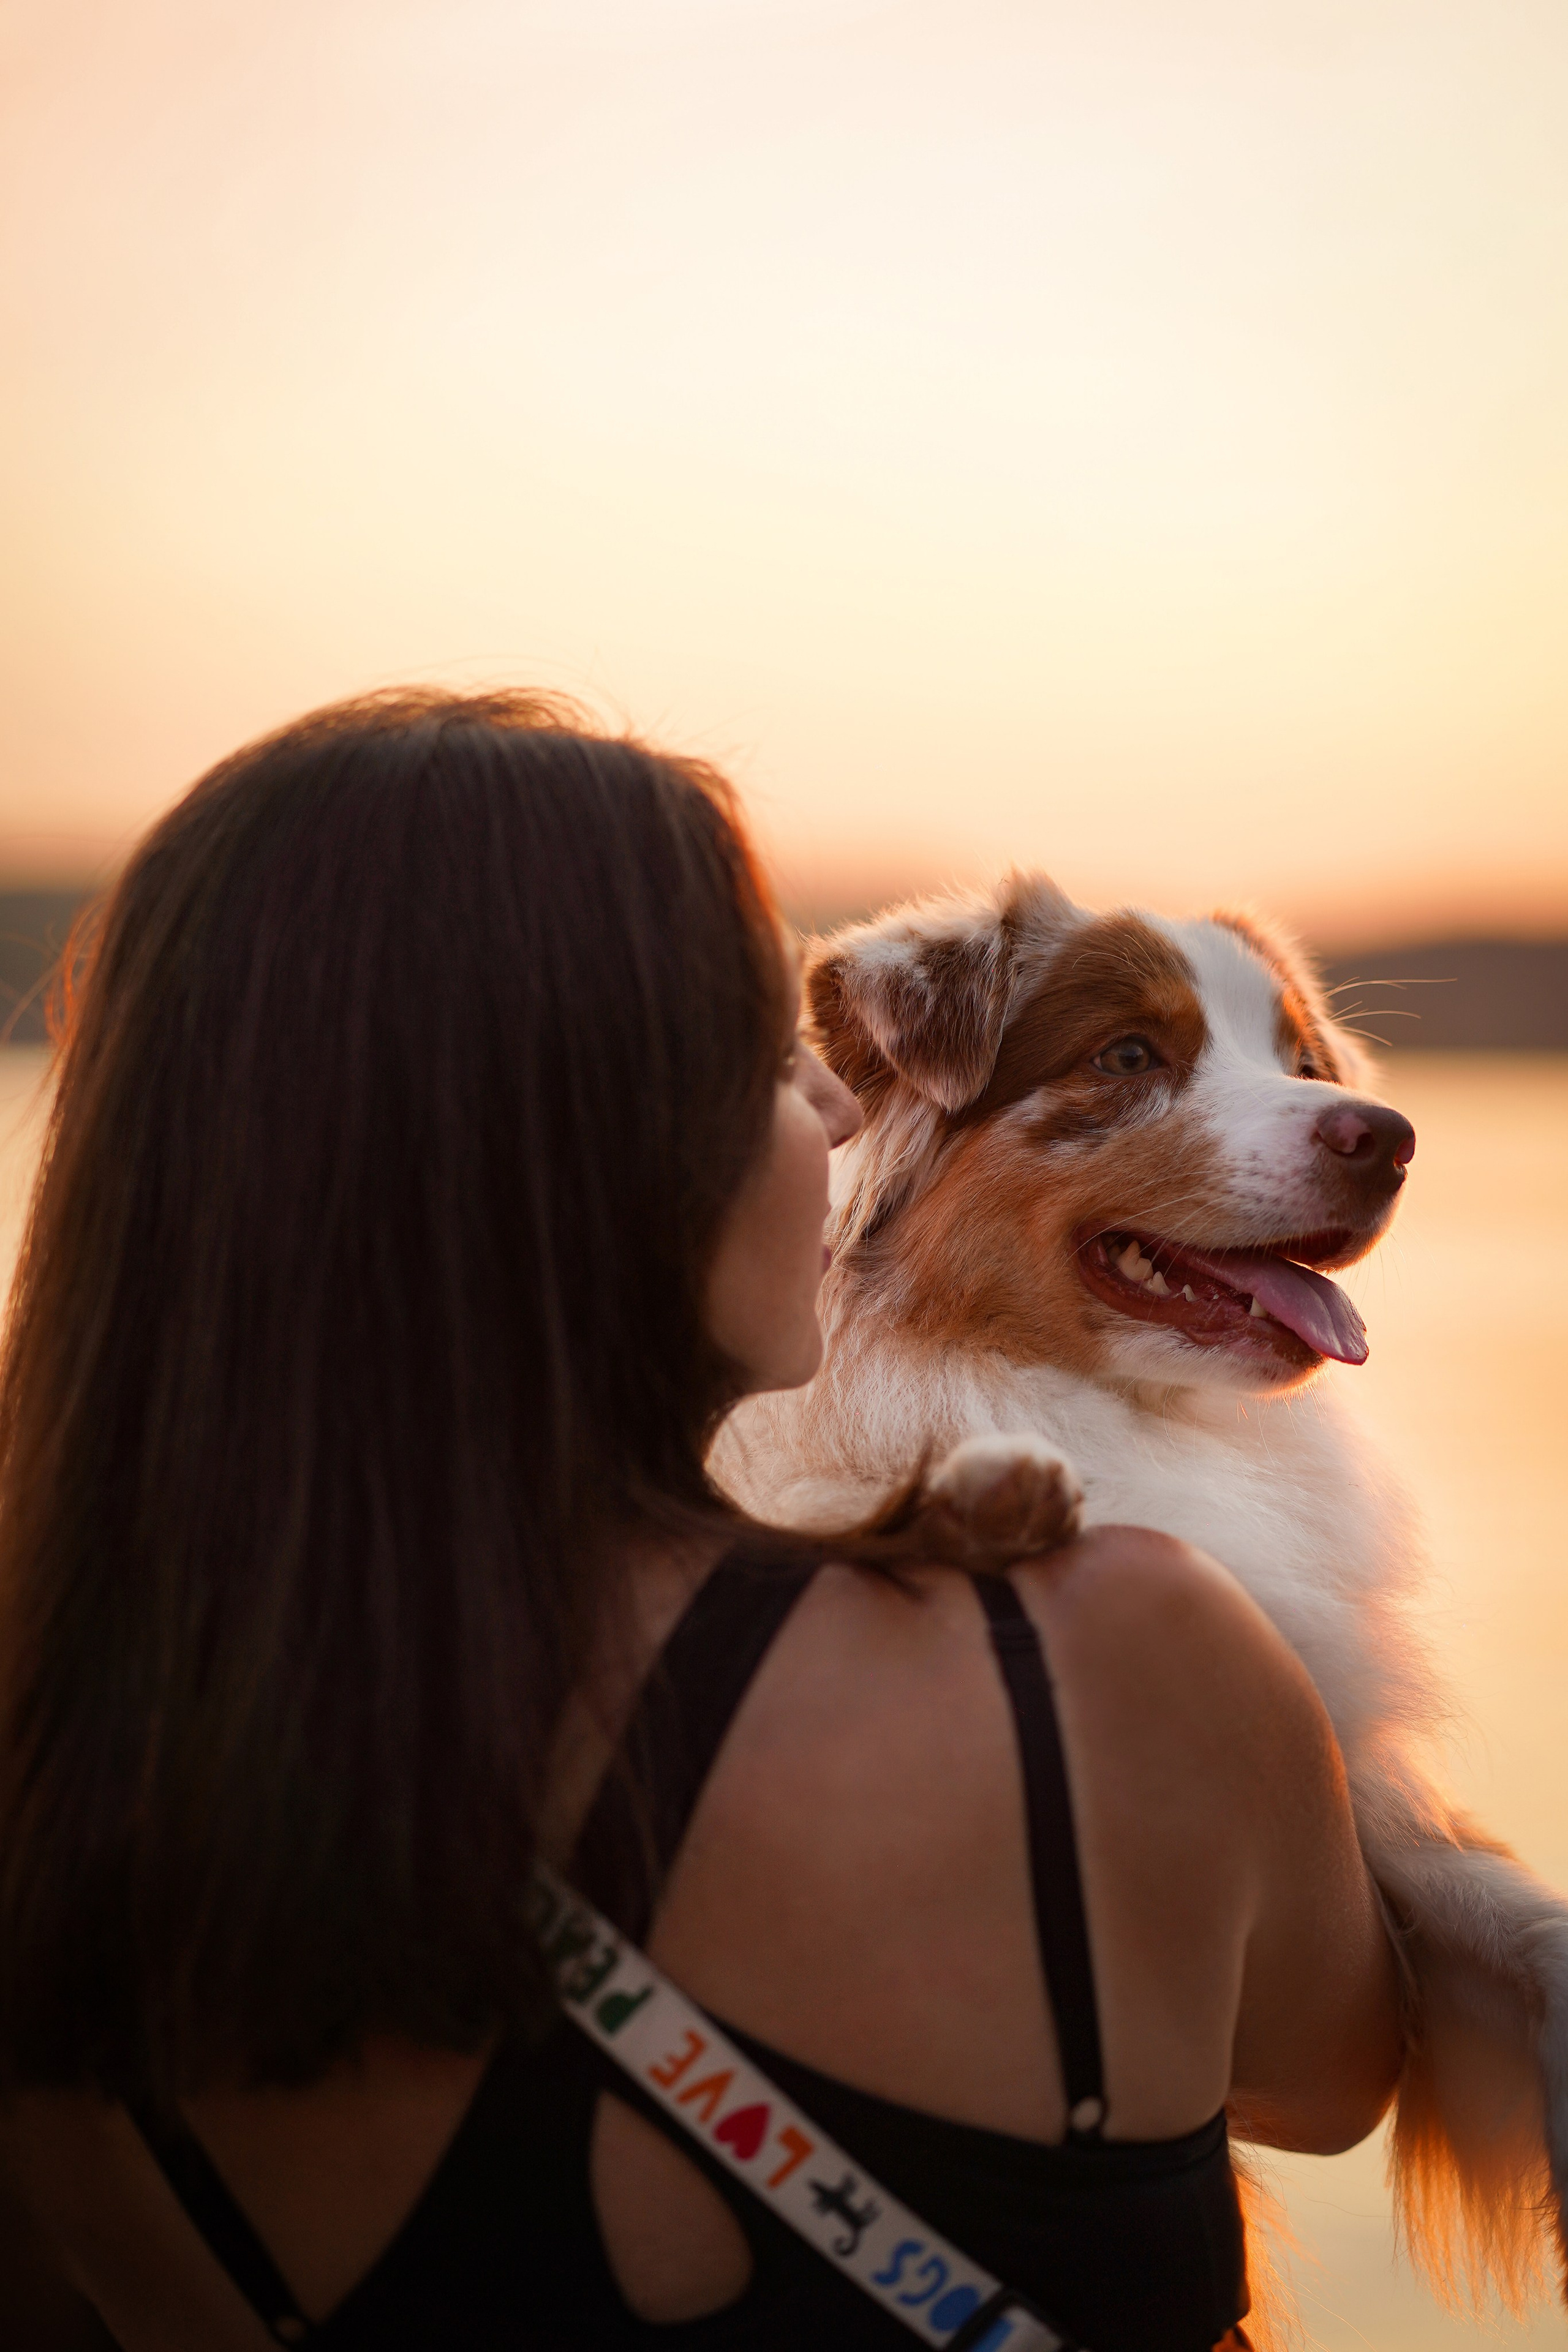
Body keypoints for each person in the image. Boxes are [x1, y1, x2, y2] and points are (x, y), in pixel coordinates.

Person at [0, 691, 1401, 2351]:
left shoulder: (54, 1837)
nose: (831, 1113)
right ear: (566, 1146)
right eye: (764, 1053)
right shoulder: (1104, 1655)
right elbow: (1329, 2076)